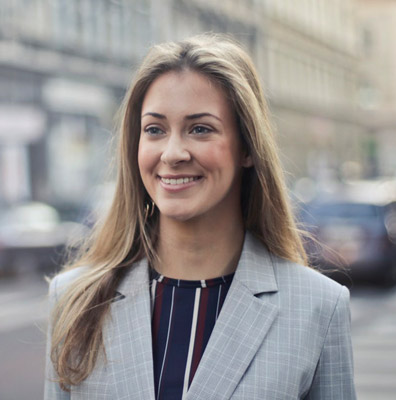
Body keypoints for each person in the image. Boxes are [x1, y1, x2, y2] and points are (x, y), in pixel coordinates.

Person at [44, 33, 356, 400]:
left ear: (248, 148)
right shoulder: (76, 300)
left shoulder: (318, 306)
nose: (173, 153)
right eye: (155, 130)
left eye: (200, 129)